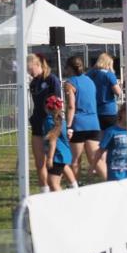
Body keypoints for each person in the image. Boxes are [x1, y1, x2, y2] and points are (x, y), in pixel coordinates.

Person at [27, 53, 63, 190]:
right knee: (39, 161)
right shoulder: (33, 83)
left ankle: (72, 185)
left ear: (38, 65)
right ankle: (44, 191)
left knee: (55, 159)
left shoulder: (52, 79)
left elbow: (58, 102)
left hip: (51, 122)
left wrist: (57, 124)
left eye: (31, 69)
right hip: (37, 122)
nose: (29, 73)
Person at [64, 55, 103, 180]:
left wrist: (68, 126)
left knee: (75, 160)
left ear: (70, 68)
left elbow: (71, 106)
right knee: (95, 159)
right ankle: (110, 181)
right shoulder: (90, 81)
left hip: (78, 124)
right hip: (93, 124)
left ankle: (74, 186)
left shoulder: (70, 83)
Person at [92, 102, 127, 181]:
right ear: (123, 113)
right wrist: (93, 166)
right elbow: (100, 150)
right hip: (115, 173)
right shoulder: (111, 131)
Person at [42, 95, 75, 192]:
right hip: (64, 154)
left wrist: (50, 158)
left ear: (47, 108)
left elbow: (52, 141)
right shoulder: (62, 121)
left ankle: (63, 204)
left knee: (53, 183)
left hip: (57, 156)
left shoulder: (49, 121)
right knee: (54, 183)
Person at [87, 52, 122, 131]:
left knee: (98, 137)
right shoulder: (109, 75)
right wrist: (119, 85)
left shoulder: (89, 74)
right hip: (108, 111)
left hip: (93, 110)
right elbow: (118, 92)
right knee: (110, 135)